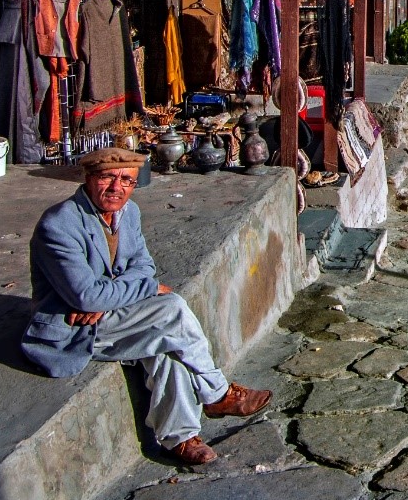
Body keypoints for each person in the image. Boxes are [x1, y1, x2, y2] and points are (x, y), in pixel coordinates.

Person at [22, 147, 272, 465]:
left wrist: (108, 295)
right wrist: (144, 290)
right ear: (89, 179)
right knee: (171, 310)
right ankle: (217, 393)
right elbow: (89, 297)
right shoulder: (59, 224)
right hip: (74, 327)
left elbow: (142, 268)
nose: (117, 188)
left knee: (170, 342)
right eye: (107, 178)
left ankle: (181, 439)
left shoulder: (130, 213)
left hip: (110, 312)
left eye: (126, 180)